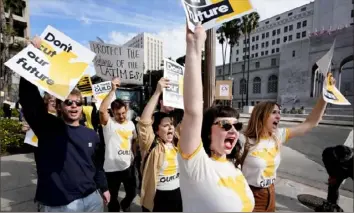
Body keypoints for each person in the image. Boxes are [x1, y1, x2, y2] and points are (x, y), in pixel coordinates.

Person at [18, 37, 110, 212]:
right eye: (68, 102)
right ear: (60, 106)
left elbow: (96, 165)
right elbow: (30, 102)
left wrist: (103, 187)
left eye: (78, 103)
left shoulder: (91, 134)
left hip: (92, 200)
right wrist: (32, 56)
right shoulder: (48, 127)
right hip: (60, 204)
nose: (74, 106)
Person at [177, 23, 255, 212]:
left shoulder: (233, 167)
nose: (234, 131)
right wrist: (194, 48)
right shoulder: (196, 165)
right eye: (225, 125)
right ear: (208, 132)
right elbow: (193, 111)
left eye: (237, 126)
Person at [238, 84, 335, 211]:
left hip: (271, 193)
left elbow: (311, 122)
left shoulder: (278, 135)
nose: (279, 116)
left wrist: (324, 97)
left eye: (279, 113)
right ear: (260, 116)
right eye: (273, 113)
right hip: (250, 195)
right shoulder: (243, 140)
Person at [137, 77, 182, 212]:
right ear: (156, 130)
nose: (170, 128)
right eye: (166, 126)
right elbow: (144, 121)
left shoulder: (177, 141)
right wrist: (157, 92)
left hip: (177, 194)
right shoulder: (151, 143)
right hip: (157, 197)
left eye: (172, 125)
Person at [99, 78, 137, 212]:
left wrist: (134, 156)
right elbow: (102, 110)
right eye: (118, 114)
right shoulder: (109, 124)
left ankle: (125, 206)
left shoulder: (131, 124)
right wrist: (113, 89)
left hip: (128, 167)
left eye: (123, 113)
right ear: (113, 113)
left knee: (132, 193)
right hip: (111, 170)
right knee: (112, 199)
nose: (121, 116)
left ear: (126, 109)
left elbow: (133, 141)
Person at [316, 143, 353, 212]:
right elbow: (328, 165)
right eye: (344, 160)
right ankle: (332, 205)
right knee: (333, 186)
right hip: (338, 170)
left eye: (347, 159)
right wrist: (332, 175)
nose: (345, 161)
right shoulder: (327, 153)